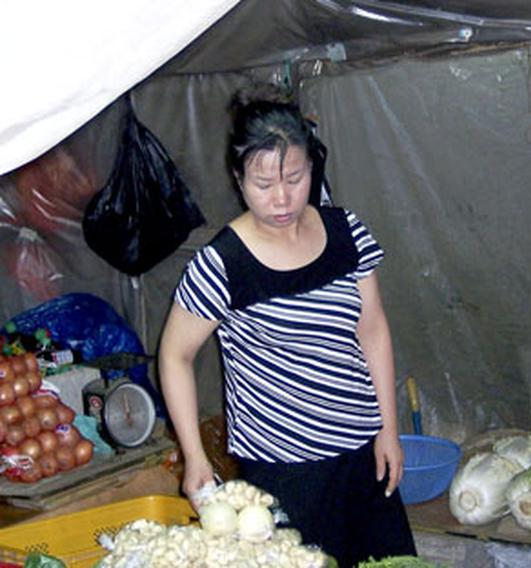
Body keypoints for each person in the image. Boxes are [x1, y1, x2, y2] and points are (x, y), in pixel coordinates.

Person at [158, 92, 416, 567]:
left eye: (295, 179)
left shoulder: (346, 234)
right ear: (238, 179)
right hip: (283, 474)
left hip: (361, 455)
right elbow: (175, 355)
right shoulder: (223, 264)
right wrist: (194, 455)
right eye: (262, 184)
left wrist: (389, 429)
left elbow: (372, 328)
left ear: (311, 169)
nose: (281, 199)